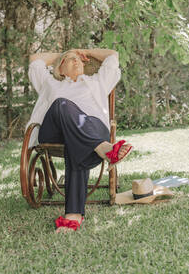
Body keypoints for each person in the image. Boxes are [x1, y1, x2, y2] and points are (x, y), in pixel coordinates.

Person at [27, 48, 132, 232]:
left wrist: (84, 51)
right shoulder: (49, 83)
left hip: (91, 128)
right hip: (54, 130)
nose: (76, 61)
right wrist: (65, 52)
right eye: (69, 60)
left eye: (79, 60)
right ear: (59, 69)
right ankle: (104, 148)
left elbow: (113, 55)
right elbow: (35, 59)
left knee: (76, 140)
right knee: (61, 103)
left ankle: (73, 215)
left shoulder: (97, 82)